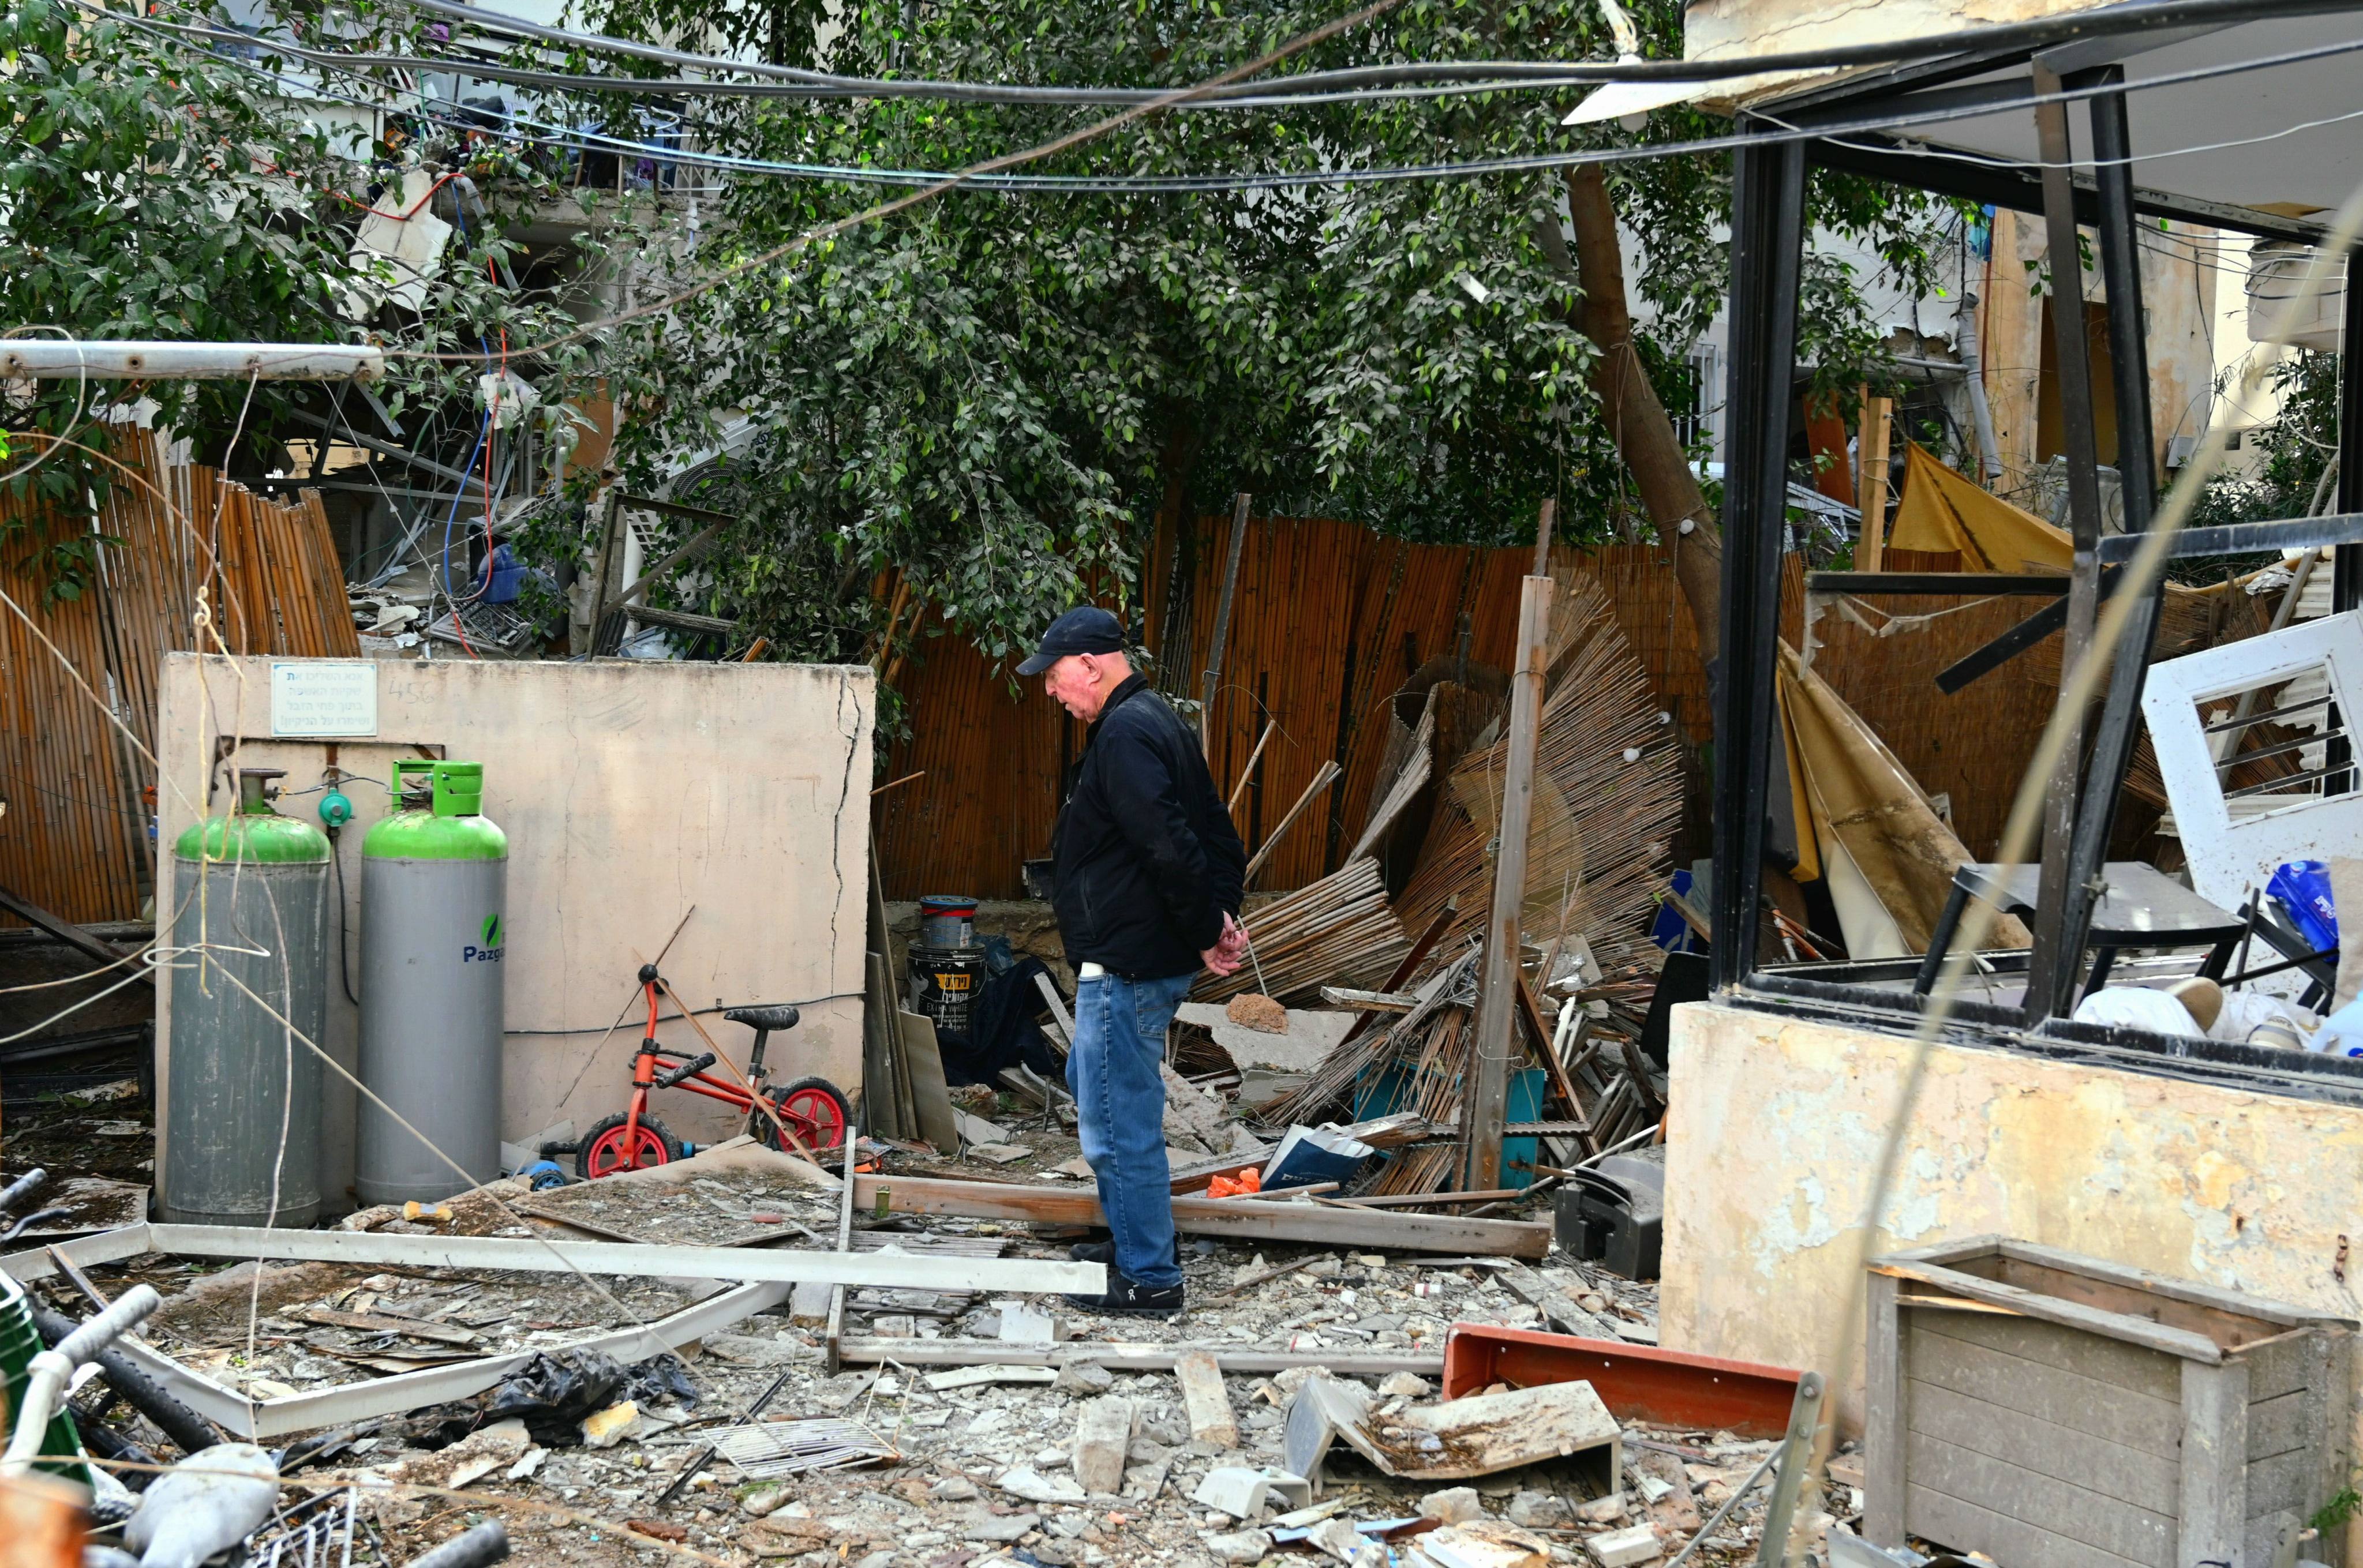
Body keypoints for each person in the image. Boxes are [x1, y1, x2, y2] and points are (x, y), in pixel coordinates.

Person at [1020, 605, 1249, 1315]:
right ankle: (1134, 1241)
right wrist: (1219, 917)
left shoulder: (1126, 733)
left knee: (1118, 1119)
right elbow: (1213, 828)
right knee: (1100, 1091)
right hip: (1137, 952)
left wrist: (1209, 925)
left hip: (1129, 962)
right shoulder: (1156, 721)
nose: (1054, 693)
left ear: (1090, 664)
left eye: (1056, 677)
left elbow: (1168, 844)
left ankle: (1150, 1278)